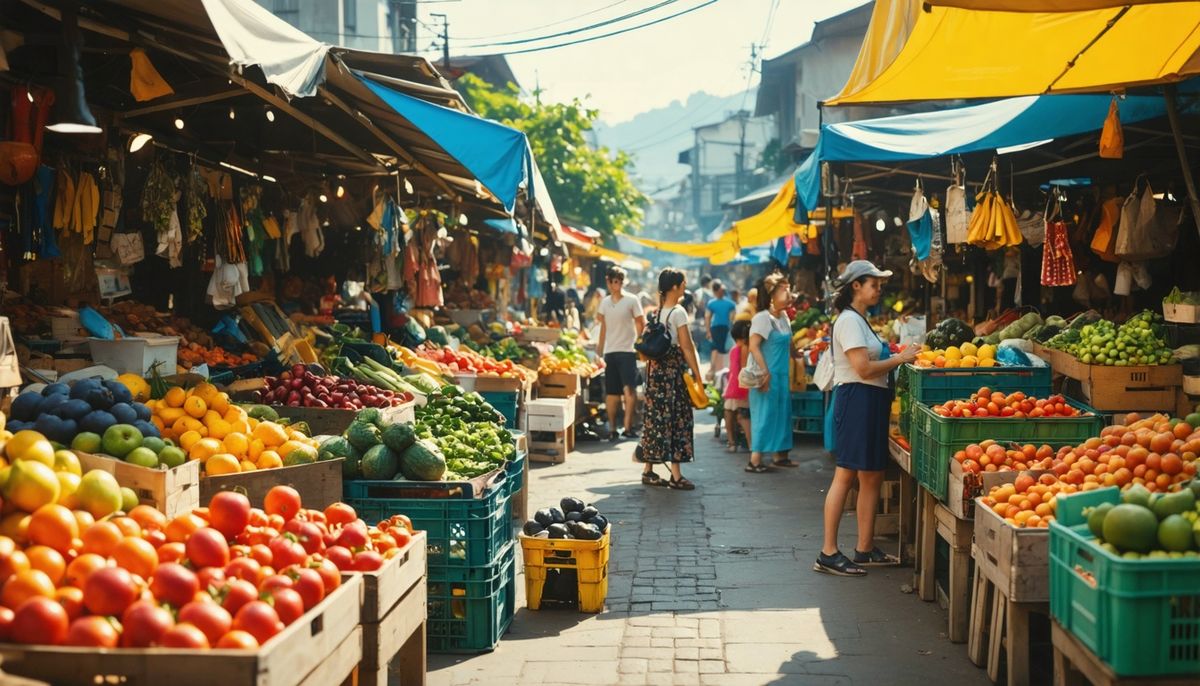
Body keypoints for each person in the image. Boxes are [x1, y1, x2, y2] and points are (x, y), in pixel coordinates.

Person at [814, 260, 920, 577]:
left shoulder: (861, 319)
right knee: (846, 475)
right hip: (857, 399)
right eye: (873, 284)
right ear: (856, 286)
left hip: (871, 400)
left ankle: (864, 548)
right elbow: (861, 368)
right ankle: (828, 552)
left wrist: (895, 356)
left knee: (871, 476)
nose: (878, 289)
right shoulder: (848, 321)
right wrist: (899, 358)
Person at [637, 268, 702, 490]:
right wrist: (697, 375)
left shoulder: (656, 313)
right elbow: (687, 346)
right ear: (674, 287)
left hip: (655, 375)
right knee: (677, 419)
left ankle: (649, 470)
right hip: (673, 375)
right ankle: (676, 476)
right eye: (683, 283)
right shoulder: (678, 312)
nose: (685, 286)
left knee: (655, 420)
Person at [746, 274, 795, 472]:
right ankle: (755, 460)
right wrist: (765, 372)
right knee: (764, 416)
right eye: (784, 289)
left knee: (782, 415)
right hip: (767, 375)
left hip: (782, 375)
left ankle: (780, 456)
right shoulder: (762, 318)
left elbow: (789, 343)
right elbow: (754, 346)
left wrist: (799, 353)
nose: (789, 293)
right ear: (771, 294)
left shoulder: (783, 317)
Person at [596, 266, 646, 442]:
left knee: (629, 390)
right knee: (611, 393)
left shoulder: (632, 300)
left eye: (619, 281)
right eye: (613, 280)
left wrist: (641, 344)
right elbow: (602, 328)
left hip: (628, 351)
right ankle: (612, 428)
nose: (616, 284)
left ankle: (627, 426)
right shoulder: (604, 303)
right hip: (610, 352)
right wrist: (599, 351)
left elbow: (641, 322)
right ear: (608, 282)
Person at [722, 319, 753, 453]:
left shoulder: (738, 349)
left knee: (736, 415)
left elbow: (738, 370)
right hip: (741, 387)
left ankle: (733, 443)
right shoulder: (747, 348)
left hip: (737, 387)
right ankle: (748, 444)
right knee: (741, 416)